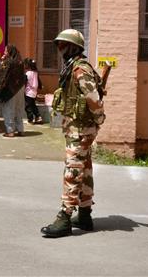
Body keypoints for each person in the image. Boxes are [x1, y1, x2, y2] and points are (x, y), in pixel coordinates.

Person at [41, 29, 105, 238]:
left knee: (73, 170)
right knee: (84, 170)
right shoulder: (72, 67)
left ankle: (65, 217)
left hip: (81, 128)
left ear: (74, 47)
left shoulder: (80, 69)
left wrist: (98, 119)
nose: (60, 49)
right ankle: (85, 214)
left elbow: (93, 99)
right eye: (58, 45)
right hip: (76, 127)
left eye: (63, 45)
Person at [0, 44, 26, 138]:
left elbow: (2, 74)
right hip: (20, 88)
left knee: (9, 110)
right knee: (18, 109)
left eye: (5, 51)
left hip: (10, 89)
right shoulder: (20, 62)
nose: (4, 52)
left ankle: (10, 131)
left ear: (9, 52)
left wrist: (2, 61)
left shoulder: (8, 62)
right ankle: (20, 130)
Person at [24, 58, 43, 124]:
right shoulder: (36, 73)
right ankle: (38, 117)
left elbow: (25, 82)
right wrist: (40, 87)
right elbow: (39, 81)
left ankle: (30, 119)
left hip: (28, 92)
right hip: (34, 92)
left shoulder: (28, 73)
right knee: (33, 105)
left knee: (28, 107)